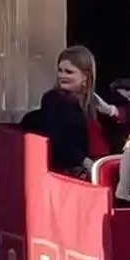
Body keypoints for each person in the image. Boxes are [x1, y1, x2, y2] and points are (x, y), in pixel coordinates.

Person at [39, 45, 125, 178]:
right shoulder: (53, 99)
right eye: (60, 70)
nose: (62, 76)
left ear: (85, 76)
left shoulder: (97, 98)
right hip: (78, 167)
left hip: (107, 162)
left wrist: (110, 110)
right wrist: (86, 163)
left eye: (69, 72)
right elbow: (58, 139)